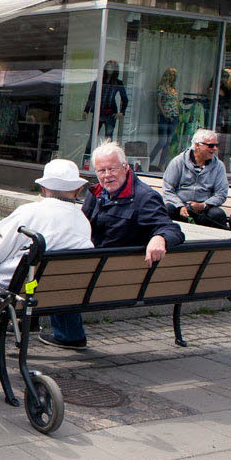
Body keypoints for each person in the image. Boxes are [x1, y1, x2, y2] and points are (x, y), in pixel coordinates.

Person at [46, 142, 185, 348]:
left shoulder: (144, 197)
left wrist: (160, 238)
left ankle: (69, 335)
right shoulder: (97, 192)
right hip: (99, 269)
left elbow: (171, 229)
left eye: (112, 169)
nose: (107, 175)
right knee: (49, 260)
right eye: (101, 170)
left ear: (126, 167)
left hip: (112, 277)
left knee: (55, 273)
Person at [0, 160, 94, 291]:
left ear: (43, 188)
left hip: (21, 288)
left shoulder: (29, 212)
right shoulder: (83, 221)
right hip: (61, 290)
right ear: (78, 191)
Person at [162, 129, 228, 228]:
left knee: (217, 214)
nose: (214, 149)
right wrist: (180, 206)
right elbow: (168, 189)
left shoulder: (219, 166)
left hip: (205, 208)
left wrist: (204, 205)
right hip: (179, 206)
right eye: (210, 145)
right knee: (167, 210)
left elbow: (221, 193)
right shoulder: (178, 162)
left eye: (216, 145)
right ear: (197, 145)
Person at [84, 60, 128, 145]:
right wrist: (86, 110)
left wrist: (122, 112)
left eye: (112, 67)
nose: (110, 69)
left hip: (110, 114)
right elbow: (92, 96)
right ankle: (87, 157)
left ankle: (107, 157)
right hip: (98, 113)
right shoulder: (99, 80)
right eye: (108, 66)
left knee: (108, 138)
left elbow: (125, 98)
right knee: (93, 137)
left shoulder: (118, 82)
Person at [150, 68, 180, 169]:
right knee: (162, 141)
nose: (172, 78)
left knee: (168, 142)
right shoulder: (161, 88)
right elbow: (158, 102)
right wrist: (164, 114)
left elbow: (175, 102)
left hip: (174, 116)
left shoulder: (173, 89)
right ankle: (149, 160)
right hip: (164, 117)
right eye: (171, 75)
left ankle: (161, 165)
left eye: (174, 76)